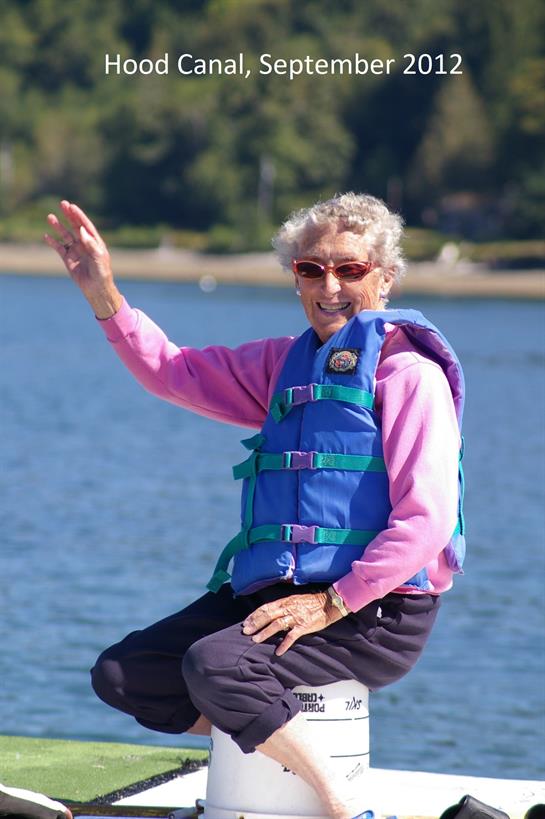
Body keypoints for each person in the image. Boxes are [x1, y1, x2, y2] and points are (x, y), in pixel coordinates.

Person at [44, 193, 465, 819]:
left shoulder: (408, 375)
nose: (330, 285)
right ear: (294, 274)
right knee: (125, 672)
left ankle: (344, 806)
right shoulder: (282, 365)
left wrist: (331, 602)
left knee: (216, 665)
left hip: (377, 609)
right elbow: (172, 371)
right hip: (278, 592)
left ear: (385, 276)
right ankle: (274, 752)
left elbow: (426, 520)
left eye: (349, 269)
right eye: (311, 268)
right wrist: (103, 293)